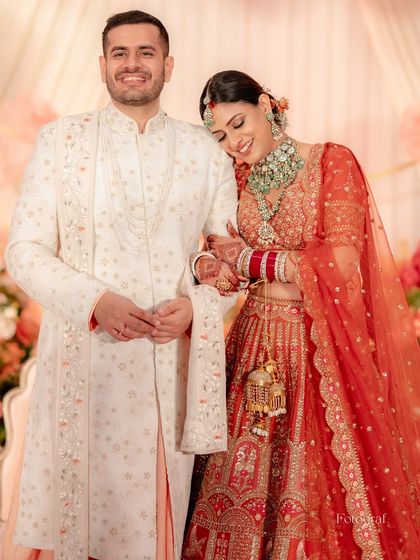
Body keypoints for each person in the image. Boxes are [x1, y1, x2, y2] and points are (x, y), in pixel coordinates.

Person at [3, 12, 240, 560]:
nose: (133, 64)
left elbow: (230, 258)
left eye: (146, 53)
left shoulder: (206, 151)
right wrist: (96, 302)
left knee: (153, 529)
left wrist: (197, 307)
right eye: (120, 53)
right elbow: (24, 251)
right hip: (83, 363)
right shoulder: (61, 141)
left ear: (168, 65)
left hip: (167, 367)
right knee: (80, 519)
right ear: (103, 65)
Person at [182, 70, 420, 559]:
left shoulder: (331, 163)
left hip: (319, 347)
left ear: (267, 105)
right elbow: (223, 258)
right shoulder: (235, 178)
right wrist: (207, 265)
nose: (234, 142)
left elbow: (342, 262)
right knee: (236, 477)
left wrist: (251, 260)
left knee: (320, 482)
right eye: (220, 136)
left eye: (238, 123)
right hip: (252, 344)